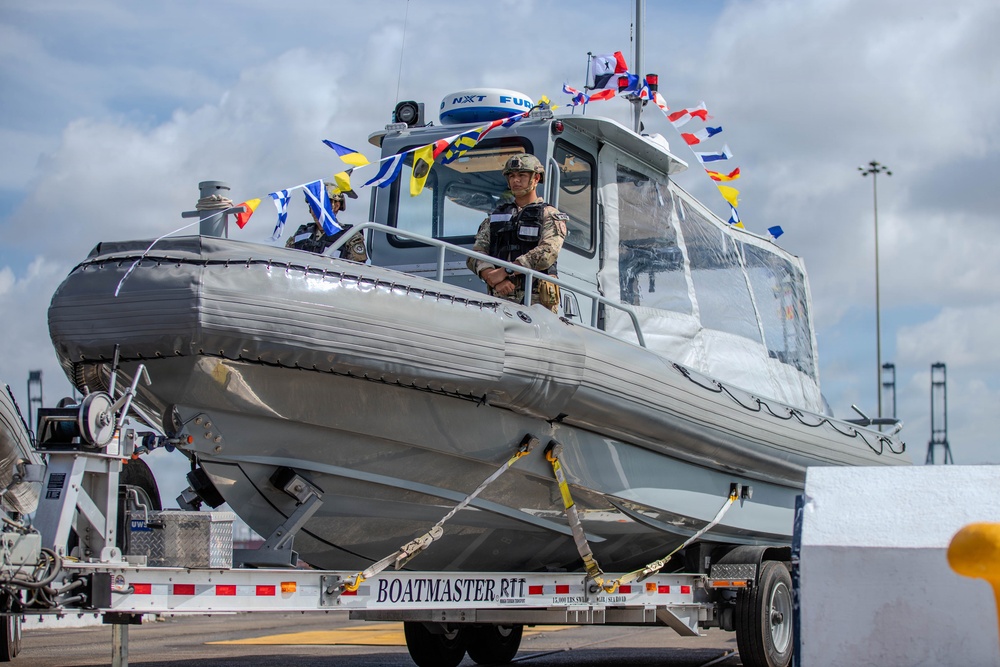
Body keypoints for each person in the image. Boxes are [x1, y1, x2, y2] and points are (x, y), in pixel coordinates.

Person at [467, 153, 568, 313]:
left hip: (536, 302)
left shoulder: (549, 215)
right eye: (512, 176)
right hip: (499, 299)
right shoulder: (496, 217)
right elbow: (476, 254)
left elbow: (548, 252)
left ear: (535, 179)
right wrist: (492, 278)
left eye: (522, 175)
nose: (515, 180)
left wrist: (506, 270)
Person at [286, 186, 368, 262]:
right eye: (313, 204)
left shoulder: (350, 236)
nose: (316, 210)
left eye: (321, 204)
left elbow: (356, 269)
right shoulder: (300, 234)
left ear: (336, 206)